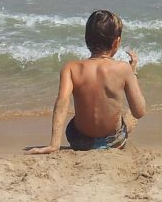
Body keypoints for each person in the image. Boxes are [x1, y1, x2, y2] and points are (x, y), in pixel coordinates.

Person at [26, 10, 147, 152]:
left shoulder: (70, 68)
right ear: (116, 42)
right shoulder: (123, 68)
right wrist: (133, 72)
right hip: (113, 143)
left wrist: (54, 144)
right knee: (131, 115)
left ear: (86, 39)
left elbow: (62, 102)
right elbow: (139, 111)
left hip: (79, 142)